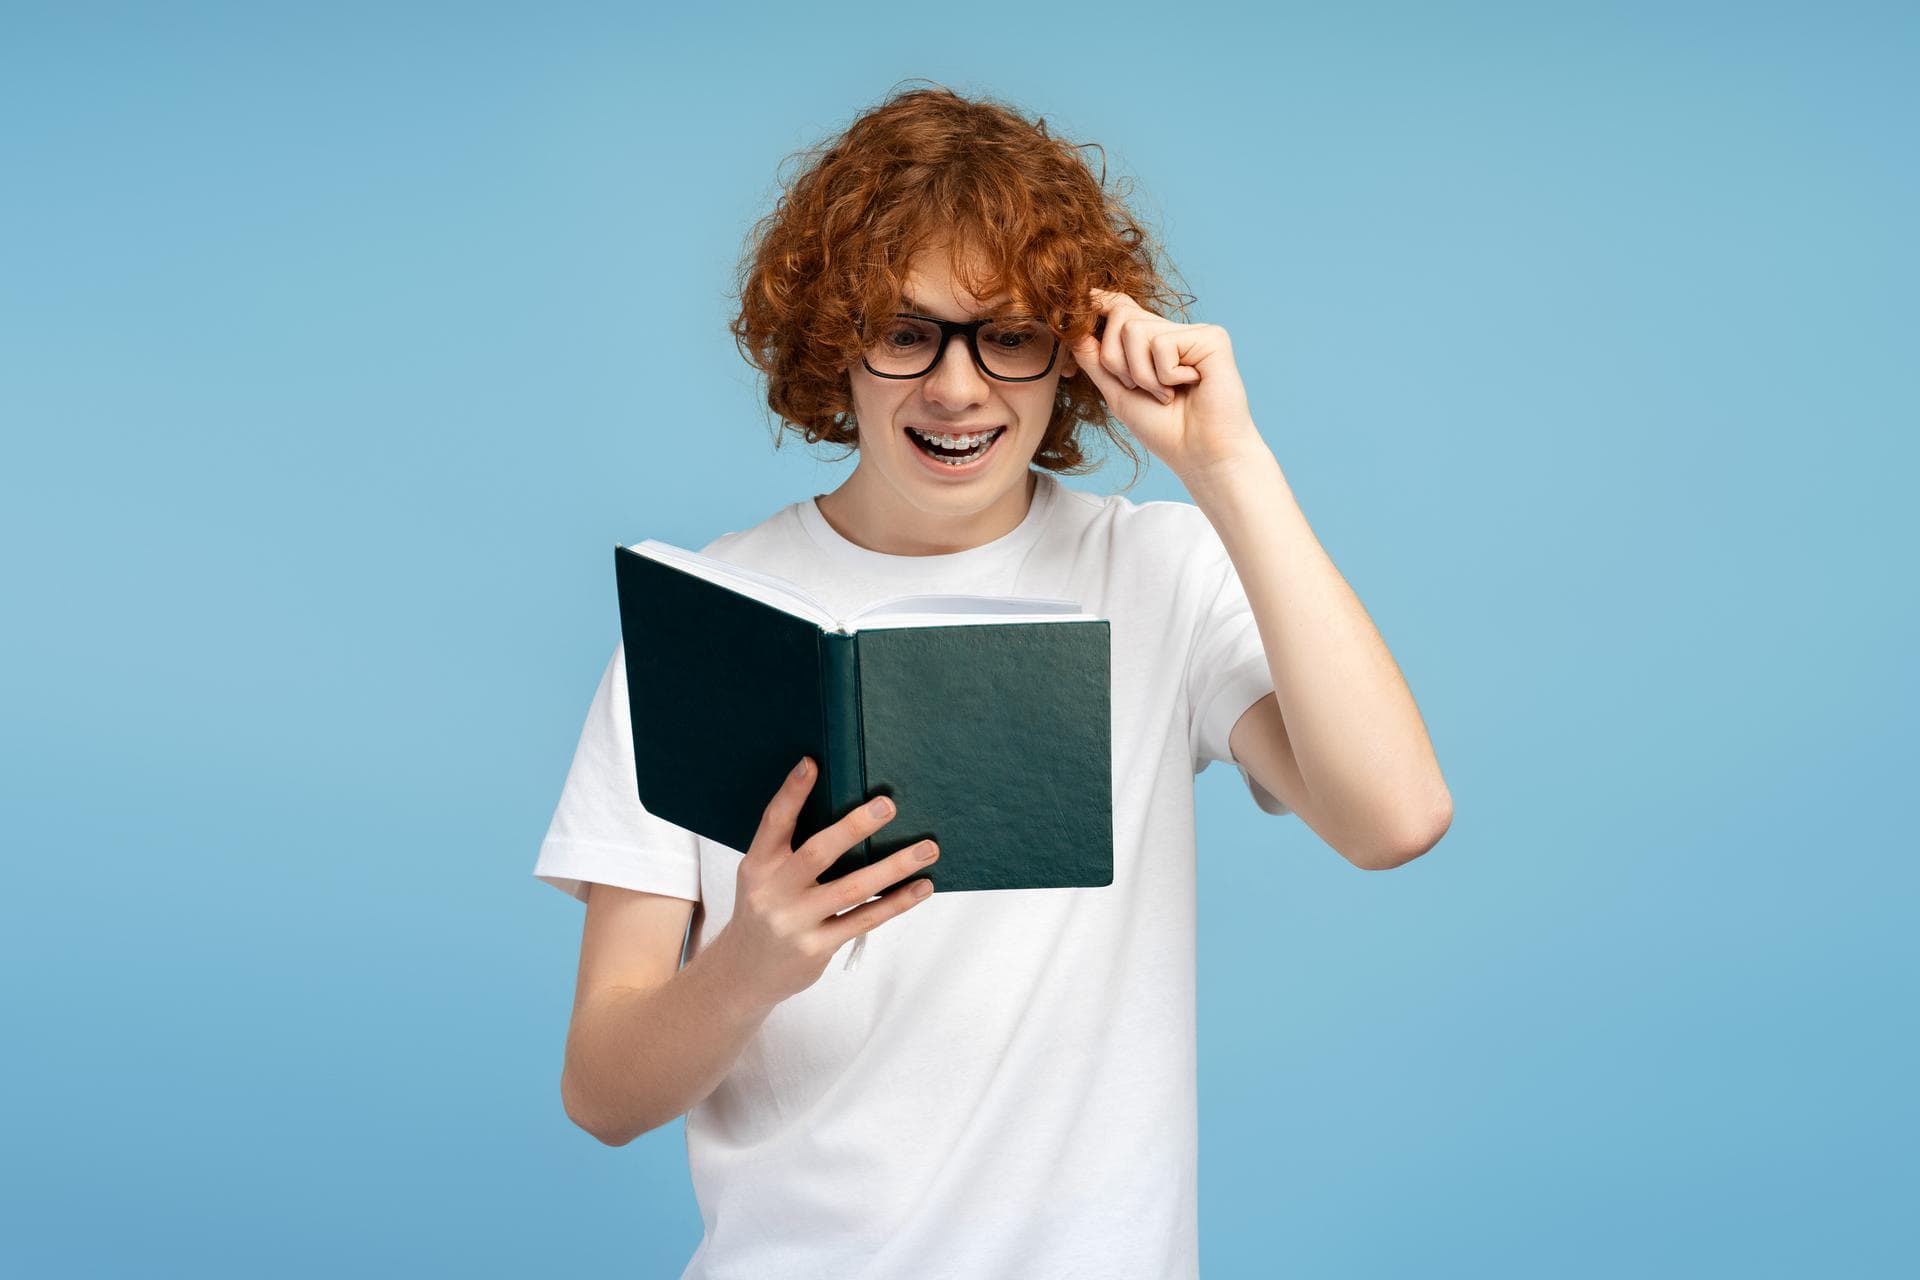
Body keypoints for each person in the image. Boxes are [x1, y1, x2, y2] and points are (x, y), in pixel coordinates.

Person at [533, 84, 1452, 1279]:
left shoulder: (1156, 571)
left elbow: (1395, 817)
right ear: (833, 342)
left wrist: (1230, 465)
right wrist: (752, 963)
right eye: (906, 331)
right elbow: (601, 1088)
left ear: (1071, 349)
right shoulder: (705, 620)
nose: (958, 390)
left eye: (1008, 335)